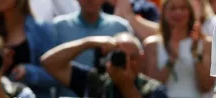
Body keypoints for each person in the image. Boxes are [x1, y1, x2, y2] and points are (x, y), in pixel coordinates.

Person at [40, 33, 168, 98]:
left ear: (142, 58)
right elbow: (49, 62)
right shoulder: (95, 81)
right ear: (109, 59)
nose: (127, 63)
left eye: (133, 58)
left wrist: (127, 87)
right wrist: (87, 43)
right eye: (121, 57)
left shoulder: (154, 90)